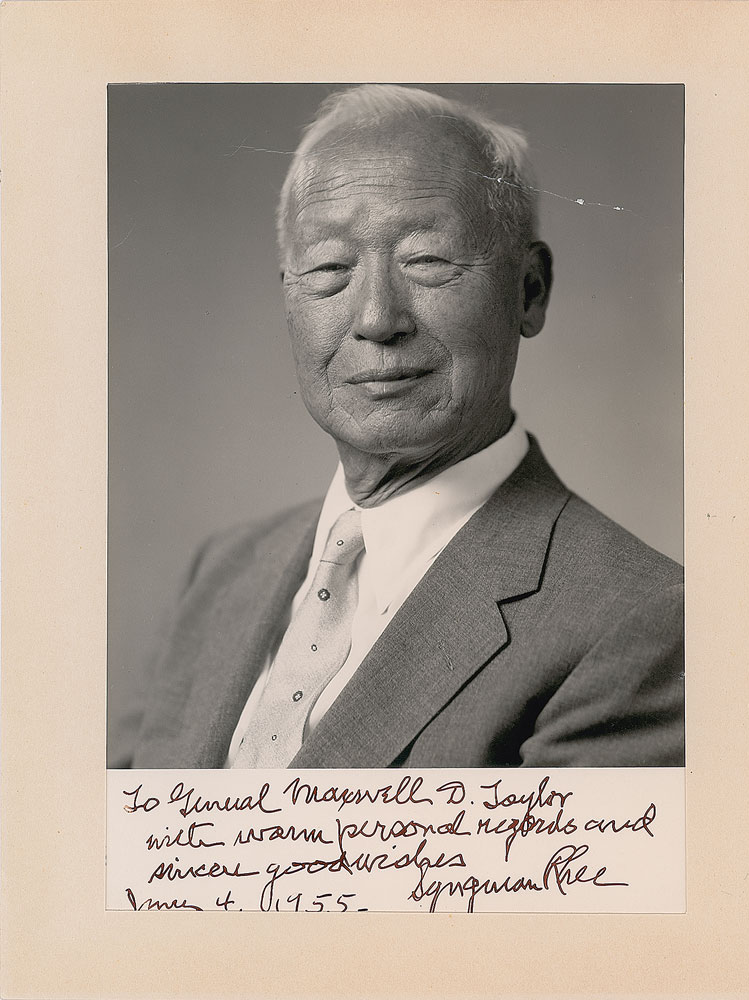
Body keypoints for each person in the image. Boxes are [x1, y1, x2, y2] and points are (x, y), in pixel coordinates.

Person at [117, 84, 684, 770]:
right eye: (330, 268)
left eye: (428, 262)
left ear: (529, 291)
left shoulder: (641, 621)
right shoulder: (222, 573)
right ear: (288, 296)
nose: (377, 319)